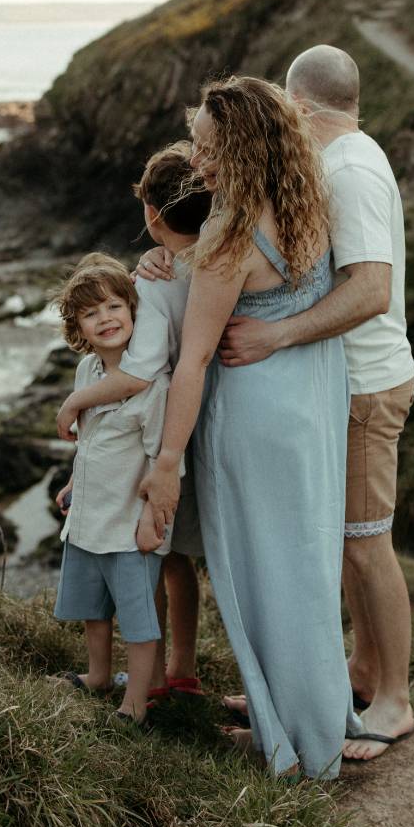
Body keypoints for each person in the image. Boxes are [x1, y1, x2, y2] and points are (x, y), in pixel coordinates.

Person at [139, 75, 362, 780]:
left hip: (254, 419)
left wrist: (167, 462)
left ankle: (295, 743)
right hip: (310, 405)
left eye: (207, 147)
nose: (195, 161)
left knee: (263, 575)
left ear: (240, 147)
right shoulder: (306, 201)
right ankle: (311, 719)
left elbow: (194, 359)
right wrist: (170, 256)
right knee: (305, 565)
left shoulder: (230, 233)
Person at [218, 45, 414, 761]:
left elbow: (372, 290)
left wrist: (276, 334)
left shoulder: (351, 171)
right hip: (346, 382)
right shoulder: (345, 159)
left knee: (366, 545)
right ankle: (358, 671)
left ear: (300, 106)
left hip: (366, 384)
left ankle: (394, 700)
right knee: (347, 541)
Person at [54, 143, 211, 696]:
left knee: (162, 556)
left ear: (149, 212)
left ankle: (161, 678)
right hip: (212, 415)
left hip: (174, 429)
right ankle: (179, 670)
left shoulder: (154, 282)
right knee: (177, 557)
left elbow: (140, 374)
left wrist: (75, 402)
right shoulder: (220, 253)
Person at [51, 254, 170, 723]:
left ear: (133, 311)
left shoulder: (154, 385)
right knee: (92, 608)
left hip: (129, 523)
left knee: (137, 618)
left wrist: (151, 517)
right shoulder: (87, 373)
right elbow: (89, 441)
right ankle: (99, 674)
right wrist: (73, 482)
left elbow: (162, 458)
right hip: (89, 518)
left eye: (114, 306)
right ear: (78, 327)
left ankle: (136, 702)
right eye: (91, 312)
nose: (105, 318)